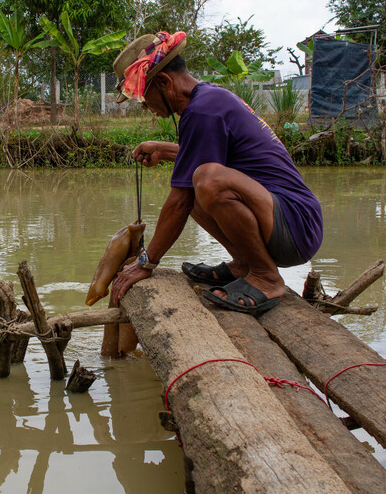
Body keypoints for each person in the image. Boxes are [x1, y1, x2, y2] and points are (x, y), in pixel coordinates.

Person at [108, 31, 323, 318]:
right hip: (285, 220)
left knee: (204, 182)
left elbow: (180, 200)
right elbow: (211, 157)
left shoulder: (202, 111)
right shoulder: (207, 99)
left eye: (145, 99)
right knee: (195, 178)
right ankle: (244, 264)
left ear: (164, 82)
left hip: (296, 225)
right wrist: (167, 150)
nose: (147, 108)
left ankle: (265, 277)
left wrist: (146, 263)